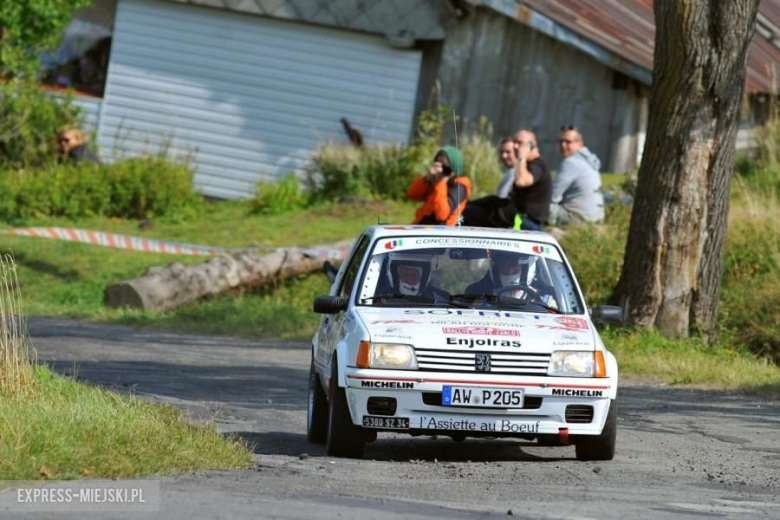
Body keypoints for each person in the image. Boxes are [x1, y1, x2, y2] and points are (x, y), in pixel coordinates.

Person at [462, 129, 551, 230]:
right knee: (476, 207)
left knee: (469, 213)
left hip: (527, 223)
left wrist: (521, 157)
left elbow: (521, 181)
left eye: (520, 143)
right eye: (514, 142)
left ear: (532, 145)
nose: (516, 146)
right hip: (517, 218)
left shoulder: (538, 164)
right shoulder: (529, 164)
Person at [549, 126, 604, 225]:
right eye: (560, 141)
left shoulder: (571, 162)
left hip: (579, 218)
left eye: (568, 142)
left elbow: (553, 196)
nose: (563, 145)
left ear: (580, 143)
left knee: (539, 206)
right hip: (596, 217)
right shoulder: (589, 160)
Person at [465, 250, 557, 308]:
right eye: (504, 266)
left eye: (515, 266)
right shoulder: (481, 297)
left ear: (527, 268)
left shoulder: (544, 300)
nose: (509, 271)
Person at [408, 147, 471, 226]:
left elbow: (442, 215)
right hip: (423, 226)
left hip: (441, 232)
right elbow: (412, 195)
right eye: (438, 164)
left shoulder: (460, 186)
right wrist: (427, 178)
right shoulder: (437, 180)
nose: (440, 169)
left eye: (444, 166)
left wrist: (441, 182)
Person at [375, 252, 450, 301]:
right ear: (396, 275)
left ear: (423, 277)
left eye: (414, 275)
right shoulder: (376, 297)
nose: (408, 279)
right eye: (405, 274)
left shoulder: (441, 299)